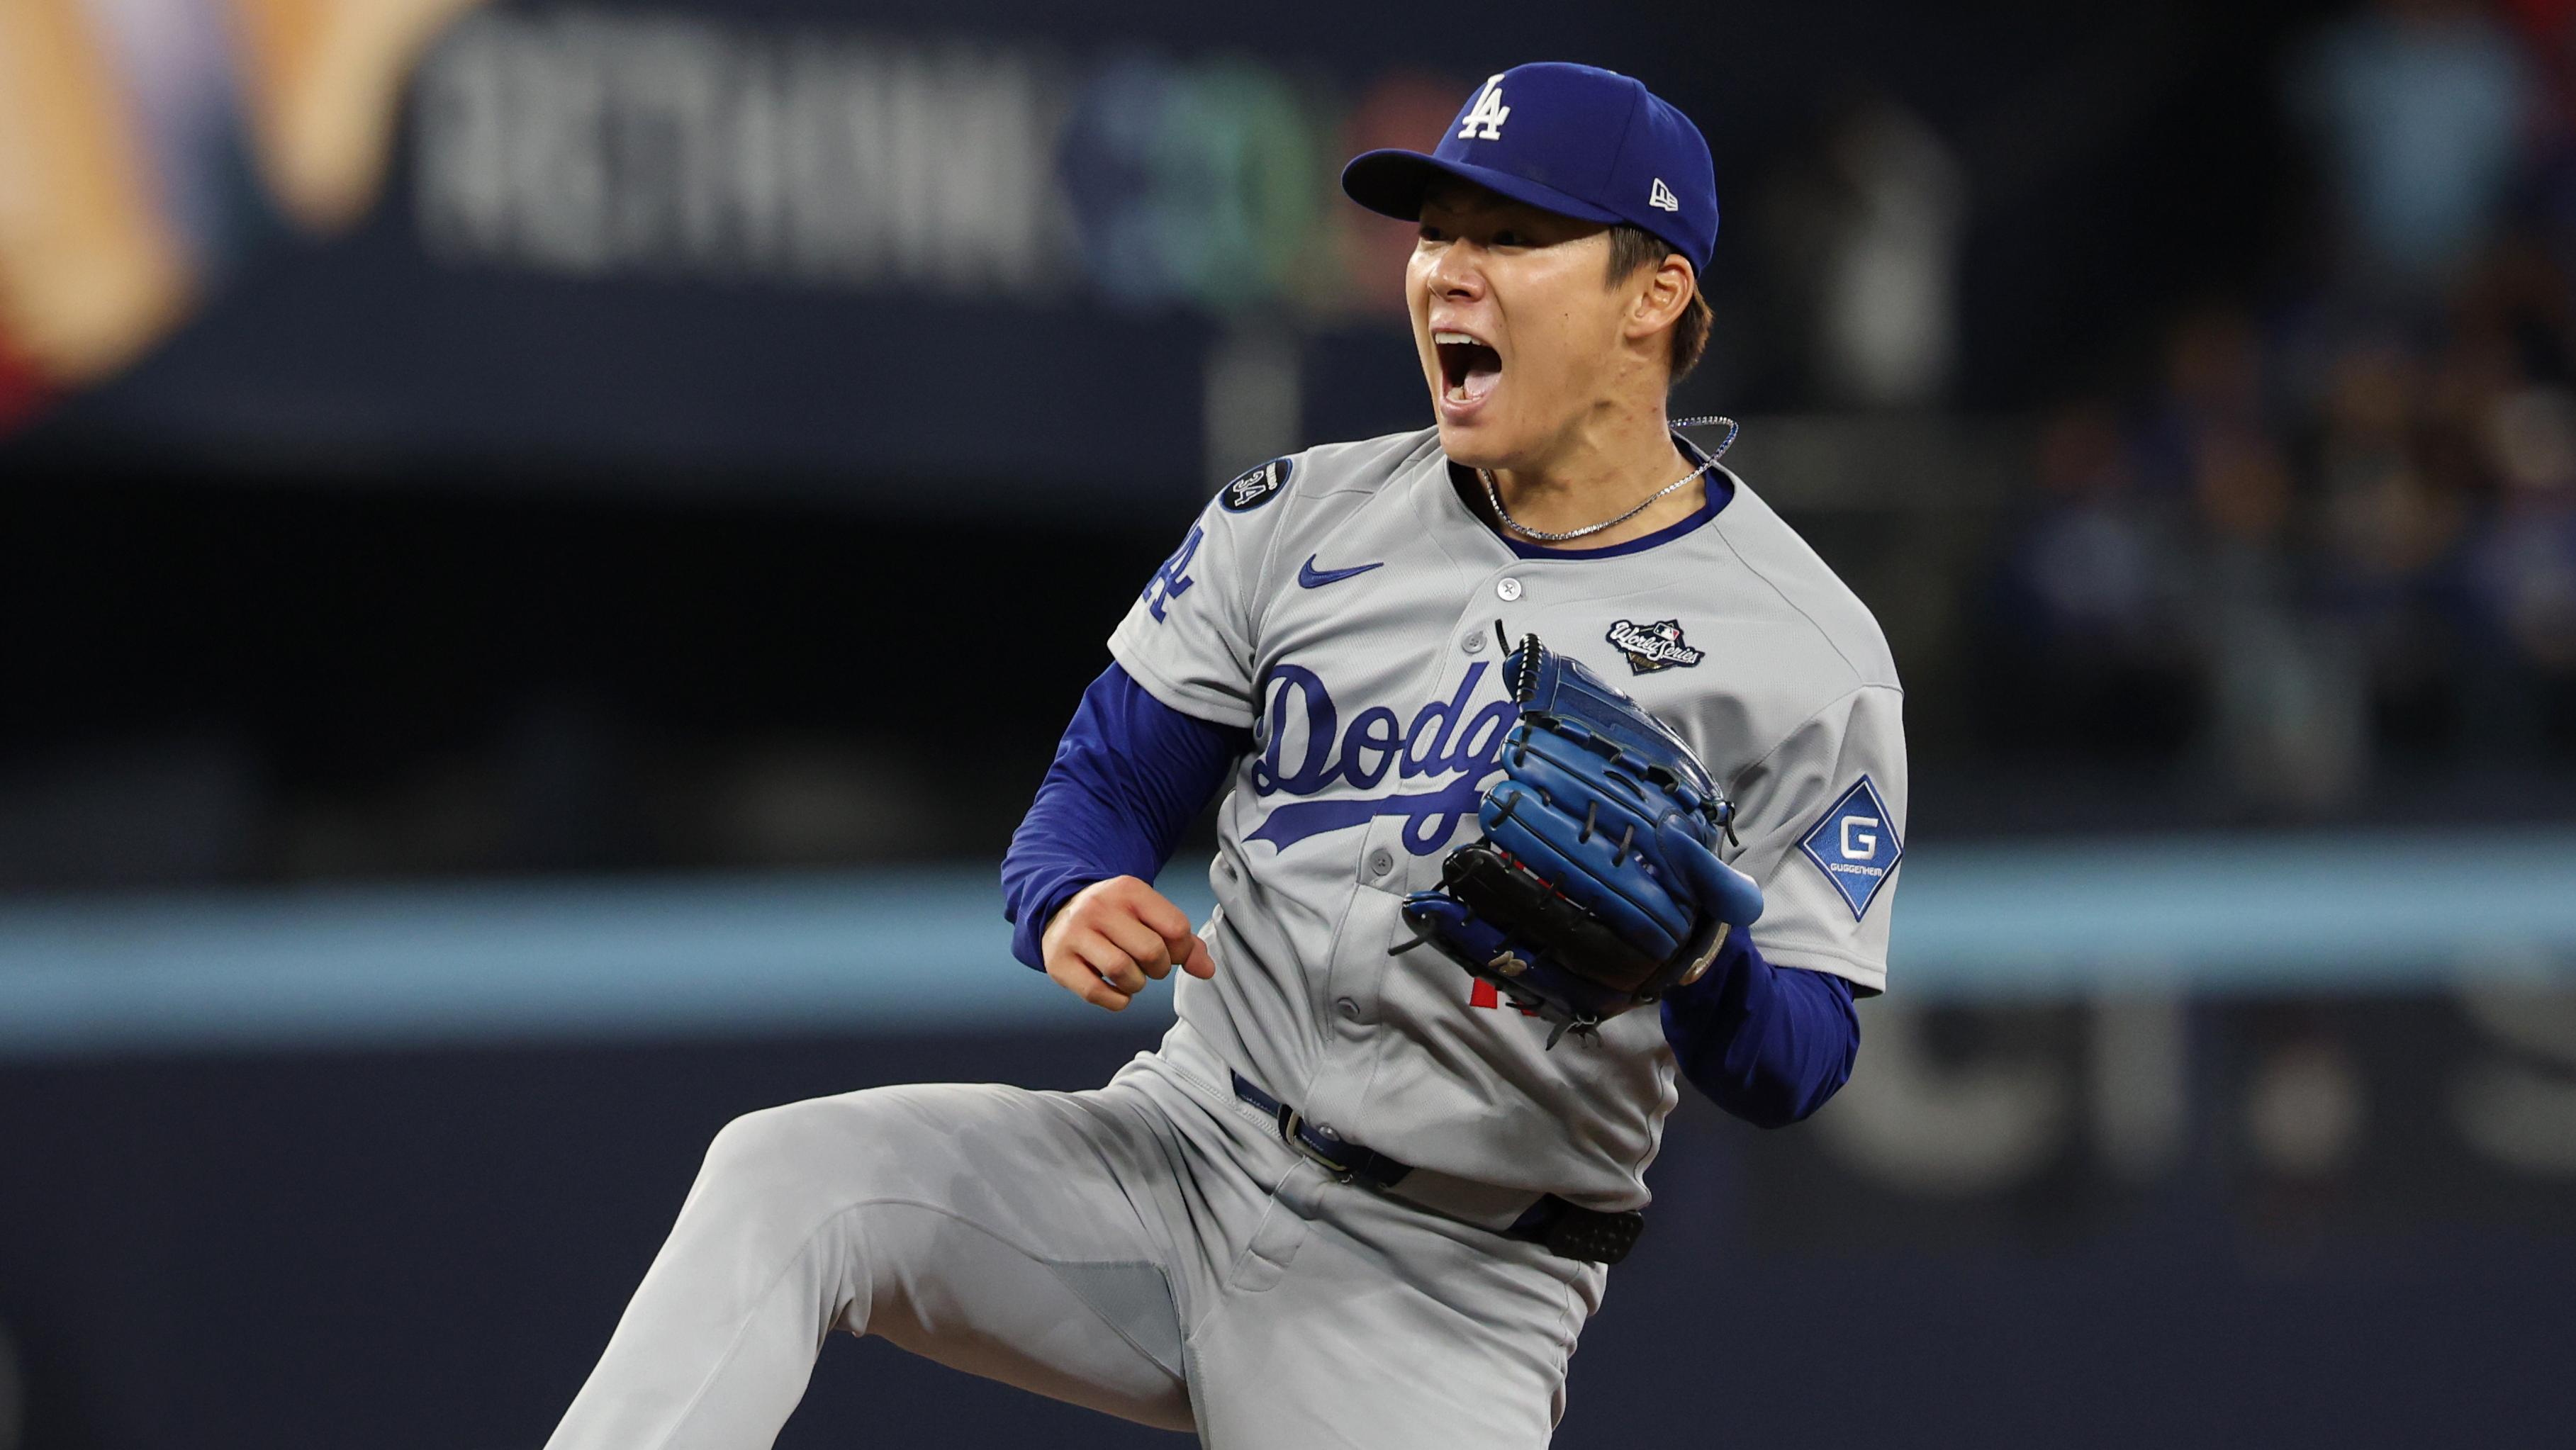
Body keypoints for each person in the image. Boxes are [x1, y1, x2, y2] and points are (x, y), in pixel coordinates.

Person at [544, 62, 1904, 1449]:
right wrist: (1068, 893)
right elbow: (1106, 790)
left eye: (1511, 239)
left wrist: (1697, 967)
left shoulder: (1800, 646)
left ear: (1653, 294)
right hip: (1178, 1153)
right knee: (790, 1176)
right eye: (1436, 231)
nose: (1445, 274)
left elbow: (1801, 1059)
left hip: (1446, 1286)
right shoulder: (1297, 517)